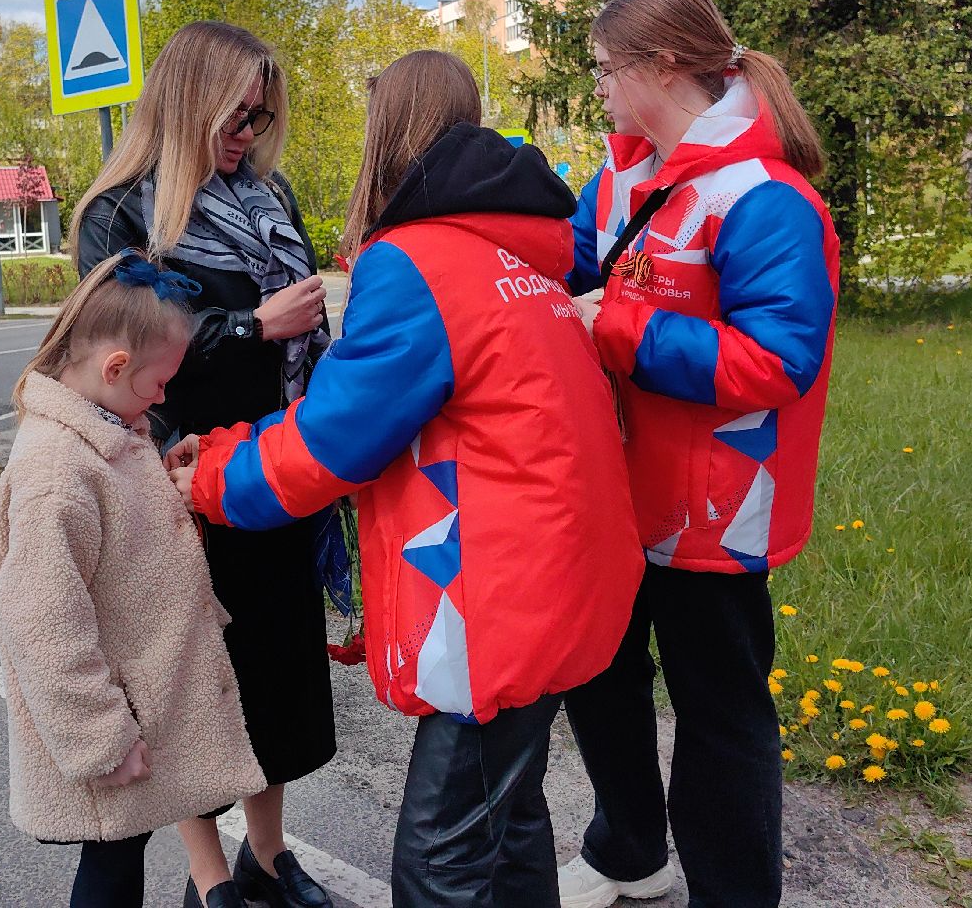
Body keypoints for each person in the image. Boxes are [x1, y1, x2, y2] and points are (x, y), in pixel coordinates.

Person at [174, 50, 642, 907]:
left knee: (440, 852)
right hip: (563, 574)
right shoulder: (523, 252)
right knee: (511, 816)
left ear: (385, 129)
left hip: (495, 593)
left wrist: (210, 473)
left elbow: (333, 441)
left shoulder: (416, 262)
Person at [557, 0, 842, 908]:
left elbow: (777, 362)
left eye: (604, 67)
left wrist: (620, 334)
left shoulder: (767, 198)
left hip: (714, 515)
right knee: (599, 676)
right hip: (614, 496)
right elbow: (563, 258)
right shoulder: (624, 178)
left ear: (665, 63)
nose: (595, 85)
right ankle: (629, 850)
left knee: (720, 720)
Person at [73, 21, 337, 908]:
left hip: (274, 464)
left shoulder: (269, 194)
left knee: (278, 677)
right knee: (194, 684)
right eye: (235, 117)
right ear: (188, 105)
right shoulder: (120, 211)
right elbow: (121, 349)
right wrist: (256, 326)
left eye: (261, 119)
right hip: (178, 474)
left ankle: (268, 858)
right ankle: (209, 877)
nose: (248, 137)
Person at [0, 249, 266, 908]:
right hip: (113, 724)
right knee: (111, 863)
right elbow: (41, 624)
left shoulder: (109, 430)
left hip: (139, 703)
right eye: (158, 382)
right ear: (115, 367)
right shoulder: (57, 472)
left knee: (124, 848)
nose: (165, 396)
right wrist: (100, 740)